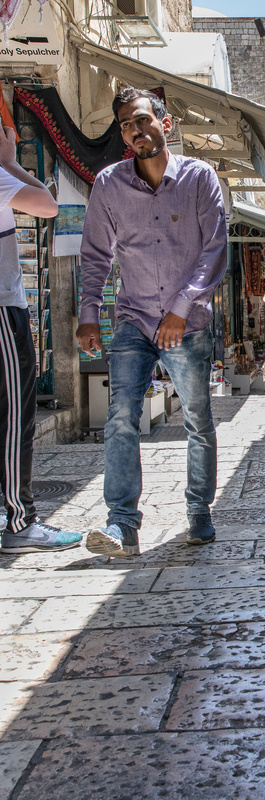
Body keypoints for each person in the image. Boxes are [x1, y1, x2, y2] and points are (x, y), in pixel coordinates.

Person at [77, 87, 227, 557]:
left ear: (166, 123)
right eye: (126, 125)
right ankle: (123, 523)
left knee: (198, 420)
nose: (135, 131)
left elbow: (215, 250)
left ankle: (199, 511)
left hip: (189, 323)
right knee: (121, 416)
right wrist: (87, 314)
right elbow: (97, 255)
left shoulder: (200, 177)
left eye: (142, 120)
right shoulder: (109, 185)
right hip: (134, 318)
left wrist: (182, 308)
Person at [0, 125, 82, 553]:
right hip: (1, 310)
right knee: (15, 415)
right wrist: (11, 161)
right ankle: (20, 522)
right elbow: (49, 206)